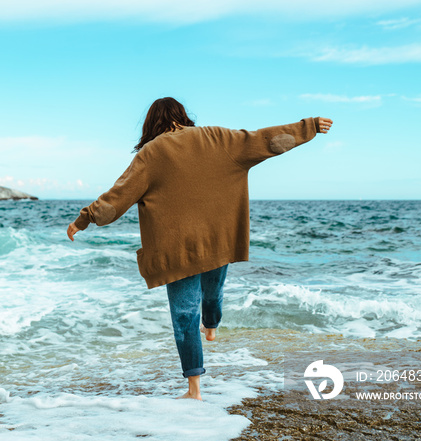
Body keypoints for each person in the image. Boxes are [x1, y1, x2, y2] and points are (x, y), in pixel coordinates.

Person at [67, 97, 333, 400]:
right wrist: (308, 127)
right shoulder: (218, 138)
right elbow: (265, 141)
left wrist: (84, 219)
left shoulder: (152, 153)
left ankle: (194, 389)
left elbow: (119, 196)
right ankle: (212, 326)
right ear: (183, 116)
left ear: (152, 123)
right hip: (218, 241)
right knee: (212, 294)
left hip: (176, 252)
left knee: (184, 316)